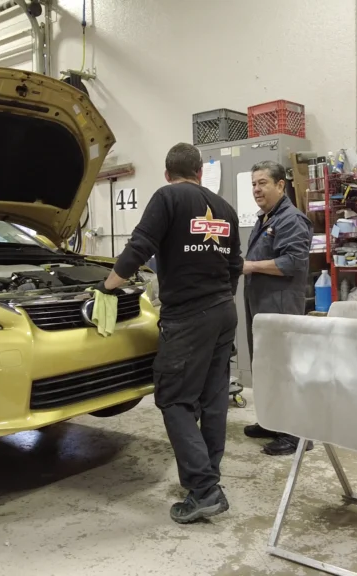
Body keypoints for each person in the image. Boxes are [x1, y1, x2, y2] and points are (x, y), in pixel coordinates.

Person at [97, 142, 242, 524]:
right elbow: (235, 265)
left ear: (167, 173)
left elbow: (139, 248)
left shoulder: (167, 197)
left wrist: (107, 287)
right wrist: (221, 297)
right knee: (213, 398)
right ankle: (208, 476)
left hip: (189, 317)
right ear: (199, 173)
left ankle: (204, 490)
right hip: (223, 311)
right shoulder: (225, 208)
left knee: (174, 397)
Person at [241, 160, 315, 456]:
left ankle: (296, 436)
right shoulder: (267, 218)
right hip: (262, 306)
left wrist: (251, 266)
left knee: (285, 369)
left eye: (263, 183)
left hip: (280, 307)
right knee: (267, 367)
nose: (256, 189)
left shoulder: (291, 219)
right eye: (254, 184)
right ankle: (273, 422)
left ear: (280, 185)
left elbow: (293, 262)